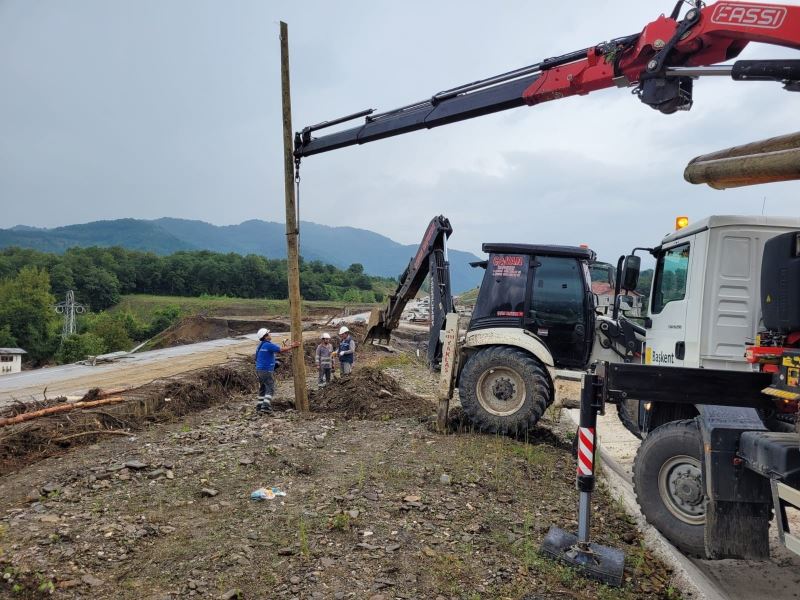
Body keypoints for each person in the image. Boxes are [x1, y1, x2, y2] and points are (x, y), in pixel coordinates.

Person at [255, 327, 299, 413]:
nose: (270, 335)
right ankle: (266, 406)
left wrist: (273, 363)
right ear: (265, 336)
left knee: (263, 388)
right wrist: (292, 346)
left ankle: (259, 406)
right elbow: (281, 349)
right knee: (270, 387)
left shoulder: (260, 346)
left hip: (259, 370)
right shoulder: (268, 344)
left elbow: (258, 358)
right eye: (269, 334)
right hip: (266, 370)